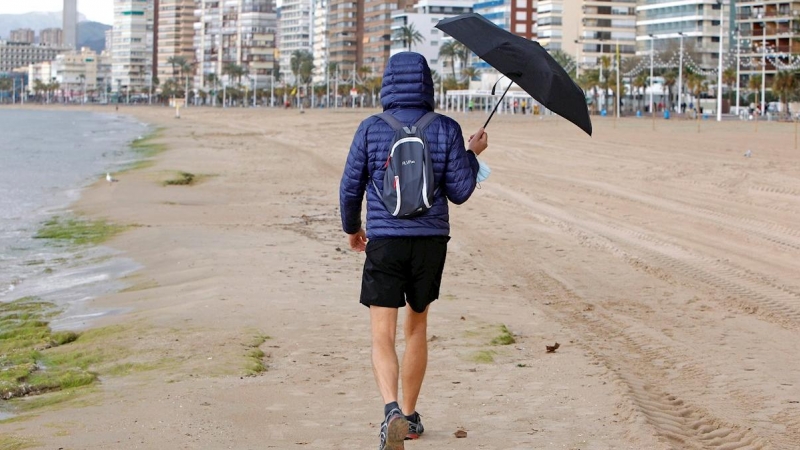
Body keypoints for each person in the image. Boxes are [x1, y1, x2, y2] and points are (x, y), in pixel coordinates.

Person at [339, 52, 488, 450]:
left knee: (381, 335)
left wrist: (353, 229)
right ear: (427, 83)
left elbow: (350, 187)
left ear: (388, 83)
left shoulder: (371, 128)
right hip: (430, 242)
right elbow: (460, 191)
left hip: (385, 240)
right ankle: (409, 415)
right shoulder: (445, 128)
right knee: (417, 327)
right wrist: (472, 155)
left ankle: (390, 411)